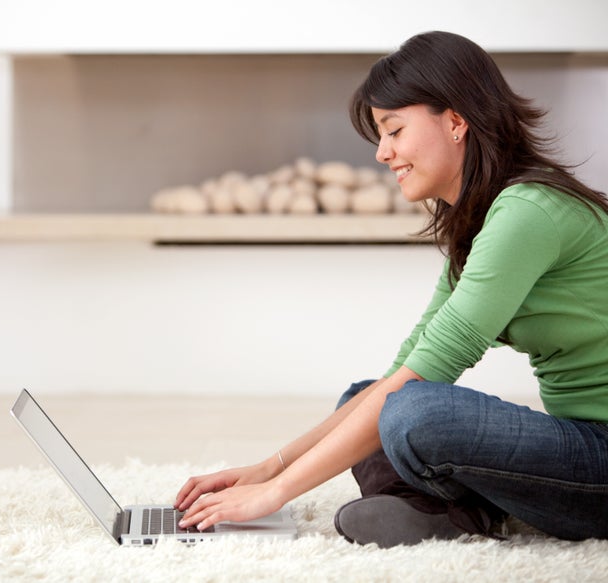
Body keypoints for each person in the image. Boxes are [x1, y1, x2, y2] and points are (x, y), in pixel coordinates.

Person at [174, 30, 608, 548]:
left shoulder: (528, 213)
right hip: (582, 451)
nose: (382, 153)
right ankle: (449, 514)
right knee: (365, 400)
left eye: (394, 130)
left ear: (454, 120)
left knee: (410, 410)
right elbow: (406, 364)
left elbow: (425, 375)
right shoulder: (487, 221)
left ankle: (453, 506)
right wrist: (267, 469)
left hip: (600, 459)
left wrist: (276, 494)